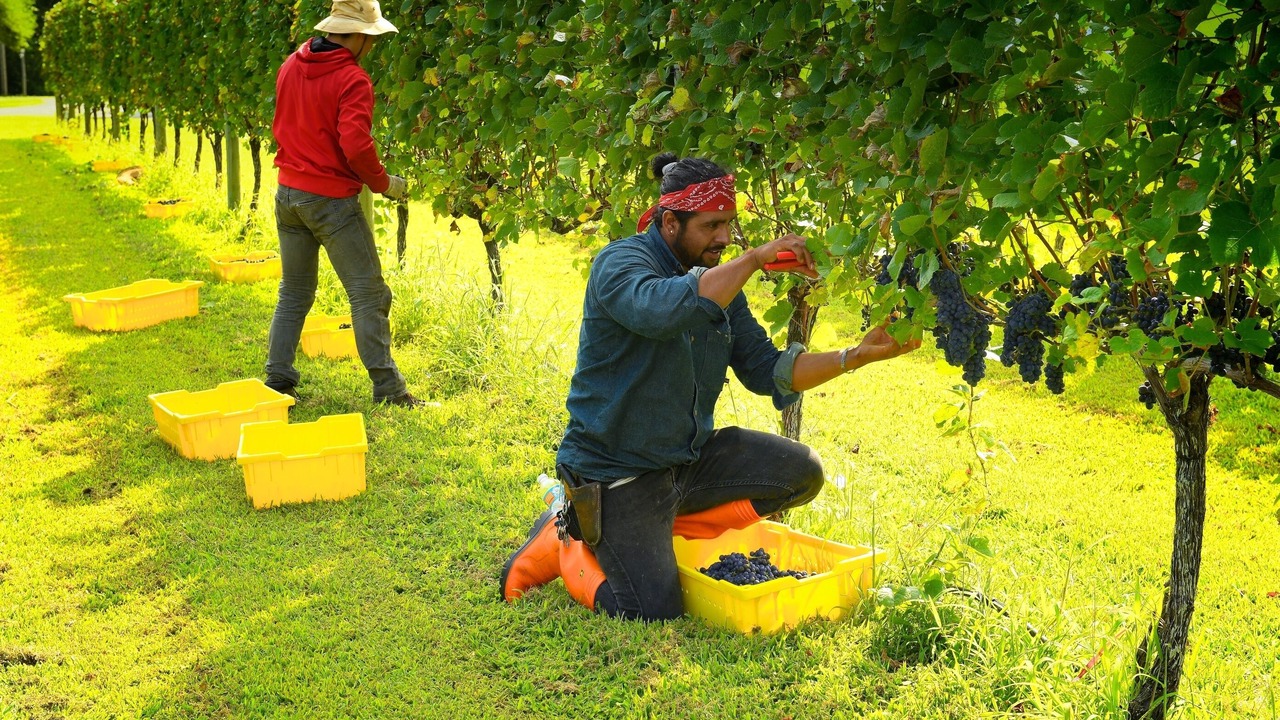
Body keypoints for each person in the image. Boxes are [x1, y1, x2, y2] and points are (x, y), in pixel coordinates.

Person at [500, 153, 921, 620]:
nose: (723, 237)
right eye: (711, 225)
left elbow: (767, 369)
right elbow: (661, 311)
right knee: (650, 610)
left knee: (801, 471)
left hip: (687, 461)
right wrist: (754, 259)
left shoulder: (722, 285)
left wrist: (854, 357)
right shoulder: (620, 263)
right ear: (670, 222)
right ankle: (566, 542)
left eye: (729, 225)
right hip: (617, 471)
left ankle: (651, 528)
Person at [264, 0, 424, 407]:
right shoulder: (352, 78)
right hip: (330, 202)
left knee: (294, 291)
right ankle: (390, 390)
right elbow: (354, 144)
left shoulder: (290, 65)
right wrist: (384, 182)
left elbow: (281, 124)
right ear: (358, 36)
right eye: (370, 38)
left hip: (287, 196)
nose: (371, 46)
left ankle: (278, 380)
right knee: (369, 294)